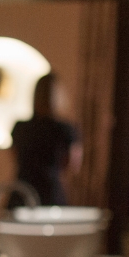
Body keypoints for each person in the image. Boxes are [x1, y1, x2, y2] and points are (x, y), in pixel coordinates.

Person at [10, 72, 82, 206]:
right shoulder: (65, 129)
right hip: (50, 195)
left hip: (23, 193)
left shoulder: (20, 127)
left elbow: (15, 157)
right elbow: (73, 165)